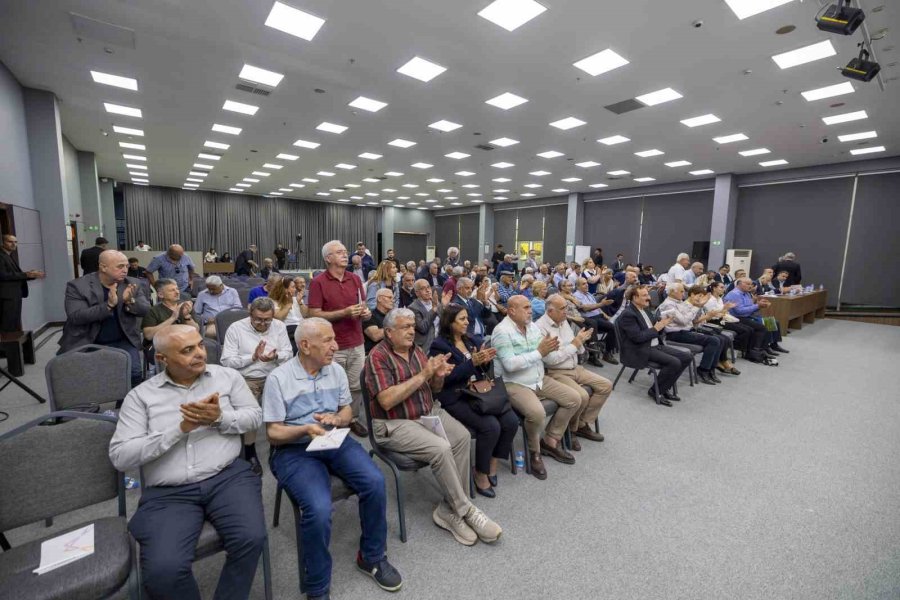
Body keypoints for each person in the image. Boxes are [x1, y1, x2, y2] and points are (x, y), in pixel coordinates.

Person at [109, 324, 266, 600]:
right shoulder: (141, 397)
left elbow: (254, 416)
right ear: (162, 359)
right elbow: (121, 456)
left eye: (200, 345)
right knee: (163, 571)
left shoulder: (226, 377)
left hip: (228, 477)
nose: (199, 354)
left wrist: (219, 418)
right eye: (187, 350)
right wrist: (179, 429)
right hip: (170, 493)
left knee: (251, 538)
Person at [264, 318, 402, 599]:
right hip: (294, 449)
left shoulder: (335, 370)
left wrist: (338, 418)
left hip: (332, 439)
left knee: (375, 481)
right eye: (327, 340)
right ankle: (317, 587)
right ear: (304, 345)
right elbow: (273, 433)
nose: (335, 346)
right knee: (318, 507)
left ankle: (372, 557)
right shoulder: (278, 379)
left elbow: (347, 410)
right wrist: (304, 428)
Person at [365, 308, 502, 546]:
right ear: (388, 332)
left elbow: (435, 389)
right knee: (440, 448)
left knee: (460, 437)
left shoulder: (416, 351)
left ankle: (449, 509)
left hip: (427, 412)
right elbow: (386, 401)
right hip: (395, 422)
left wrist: (437, 375)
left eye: (412, 326)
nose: (411, 331)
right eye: (405, 327)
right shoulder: (377, 357)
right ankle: (466, 510)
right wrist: (424, 374)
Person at [429, 304, 517, 498]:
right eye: (461, 319)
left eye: (467, 318)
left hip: (478, 392)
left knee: (511, 421)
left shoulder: (470, 340)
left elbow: (480, 371)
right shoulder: (439, 346)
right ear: (449, 323)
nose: (467, 322)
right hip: (455, 396)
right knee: (491, 426)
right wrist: (472, 363)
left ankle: (491, 463)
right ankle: (480, 474)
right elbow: (445, 380)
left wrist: (484, 361)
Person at [492, 295, 582, 480]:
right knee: (537, 413)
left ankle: (551, 439)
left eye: (530, 307)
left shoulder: (532, 327)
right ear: (511, 311)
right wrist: (539, 352)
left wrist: (553, 350)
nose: (531, 311)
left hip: (538, 378)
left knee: (574, 399)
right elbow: (510, 364)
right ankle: (535, 452)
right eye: (526, 308)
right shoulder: (502, 331)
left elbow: (544, 356)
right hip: (514, 382)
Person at [221, 297, 293, 473]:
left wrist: (275, 356)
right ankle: (250, 451)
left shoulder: (279, 326)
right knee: (251, 416)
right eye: (258, 319)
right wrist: (252, 357)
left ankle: (277, 446)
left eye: (267, 319)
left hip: (275, 375)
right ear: (250, 314)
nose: (263, 323)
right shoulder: (236, 329)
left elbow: (289, 353)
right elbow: (226, 362)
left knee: (284, 412)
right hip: (247, 378)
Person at [308, 240, 371, 438]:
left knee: (355, 386)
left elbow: (361, 306)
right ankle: (329, 421)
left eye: (345, 251)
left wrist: (366, 313)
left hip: (356, 341)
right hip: (331, 345)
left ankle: (350, 419)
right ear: (328, 258)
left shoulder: (354, 279)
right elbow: (313, 314)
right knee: (329, 386)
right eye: (339, 252)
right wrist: (343, 312)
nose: (346, 254)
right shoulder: (318, 282)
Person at [59, 250, 150, 386]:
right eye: (120, 266)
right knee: (82, 379)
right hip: (87, 339)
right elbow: (76, 317)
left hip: (123, 339)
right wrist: (108, 305)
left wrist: (129, 301)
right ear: (103, 267)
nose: (125, 270)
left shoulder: (133, 283)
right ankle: (88, 404)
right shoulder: (78, 286)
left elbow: (146, 310)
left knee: (134, 373)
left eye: (126, 266)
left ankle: (124, 404)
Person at [536, 294, 613, 444]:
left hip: (575, 367)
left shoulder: (563, 321)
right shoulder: (540, 328)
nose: (566, 311)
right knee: (582, 396)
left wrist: (580, 342)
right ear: (550, 311)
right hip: (556, 372)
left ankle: (581, 424)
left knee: (606, 385)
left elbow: (575, 345)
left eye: (566, 307)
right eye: (562, 308)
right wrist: (575, 345)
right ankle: (567, 431)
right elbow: (551, 360)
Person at [618, 285, 691, 407]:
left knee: (686, 357)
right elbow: (637, 338)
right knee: (674, 363)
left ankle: (664, 387)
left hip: (655, 344)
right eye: (645, 295)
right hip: (640, 349)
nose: (649, 298)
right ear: (635, 298)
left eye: (648, 295)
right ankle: (655, 391)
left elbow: (655, 330)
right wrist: (657, 328)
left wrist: (662, 325)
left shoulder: (645, 309)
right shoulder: (628, 314)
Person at [658, 283, 724, 385]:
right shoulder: (668, 305)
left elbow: (688, 318)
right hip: (675, 334)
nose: (683, 293)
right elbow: (684, 321)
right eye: (681, 291)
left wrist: (697, 305)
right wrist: (698, 306)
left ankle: (711, 369)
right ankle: (703, 370)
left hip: (685, 331)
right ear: (672, 292)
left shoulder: (679, 302)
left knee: (719, 339)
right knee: (714, 340)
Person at [724, 277, 783, 364]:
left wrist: (760, 305)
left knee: (773, 321)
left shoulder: (747, 293)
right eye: (747, 284)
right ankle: (758, 349)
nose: (750, 286)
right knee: (762, 327)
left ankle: (772, 344)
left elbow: (749, 307)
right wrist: (757, 306)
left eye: (751, 284)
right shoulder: (734, 294)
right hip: (738, 318)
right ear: (739, 284)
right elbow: (739, 311)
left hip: (749, 316)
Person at [0, 234, 45, 332]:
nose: (14, 244)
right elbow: (3, 275)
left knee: (14, 323)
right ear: (2, 243)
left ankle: (12, 344)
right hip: (7, 296)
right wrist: (26, 275)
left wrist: (31, 275)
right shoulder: (1, 256)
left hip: (15, 295)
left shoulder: (9, 256)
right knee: (7, 324)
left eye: (15, 242)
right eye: (10, 242)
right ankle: (6, 346)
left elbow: (15, 275)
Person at [570, 277, 618, 364]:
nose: (587, 285)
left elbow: (597, 308)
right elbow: (585, 308)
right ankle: (594, 355)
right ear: (577, 286)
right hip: (589, 318)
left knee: (614, 327)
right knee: (611, 327)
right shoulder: (576, 296)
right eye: (583, 284)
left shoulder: (589, 294)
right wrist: (601, 304)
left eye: (586, 283)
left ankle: (607, 353)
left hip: (598, 316)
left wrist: (605, 315)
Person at [141, 279, 199, 345]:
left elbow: (196, 330)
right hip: (162, 345)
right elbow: (148, 336)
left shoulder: (185, 306)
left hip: (185, 343)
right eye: (172, 290)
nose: (177, 292)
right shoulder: (153, 311)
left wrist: (187, 317)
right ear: (160, 295)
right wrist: (172, 318)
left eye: (177, 289)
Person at [409, 278, 445, 353]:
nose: (428, 290)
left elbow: (444, 322)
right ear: (417, 293)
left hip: (441, 341)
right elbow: (423, 328)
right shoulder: (413, 308)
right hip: (427, 345)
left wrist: (444, 307)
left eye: (428, 287)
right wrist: (433, 309)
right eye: (423, 288)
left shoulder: (436, 302)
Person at [452, 276, 490, 346]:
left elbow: (486, 316)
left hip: (482, 335)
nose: (470, 290)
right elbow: (471, 317)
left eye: (471, 288)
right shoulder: (456, 303)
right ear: (459, 289)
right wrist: (479, 300)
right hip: (470, 338)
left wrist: (485, 303)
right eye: (467, 288)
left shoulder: (471, 300)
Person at [363, 287, 394, 353]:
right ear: (379, 299)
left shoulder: (392, 316)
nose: (392, 301)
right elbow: (375, 336)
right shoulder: (369, 316)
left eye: (393, 298)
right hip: (373, 354)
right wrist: (396, 328)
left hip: (390, 353)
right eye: (389, 297)